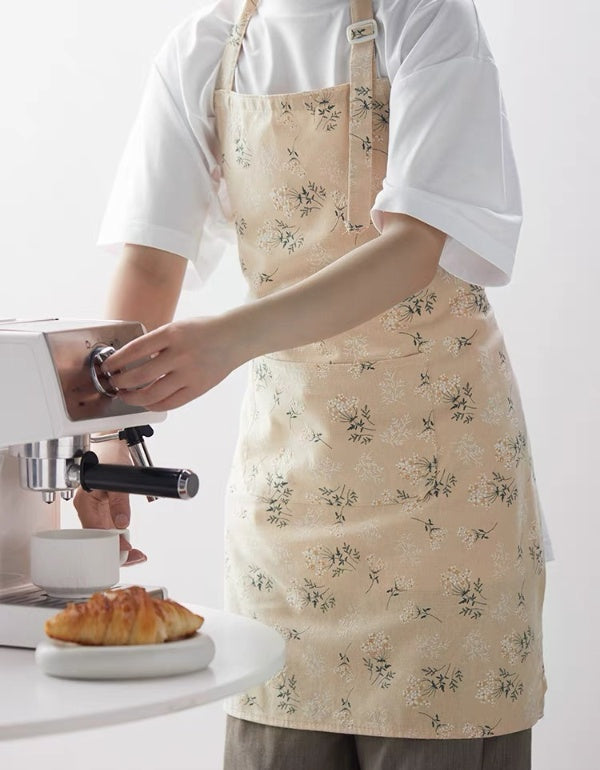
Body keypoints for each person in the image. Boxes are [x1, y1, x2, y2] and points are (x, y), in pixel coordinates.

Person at [76, 1, 555, 767]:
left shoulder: (425, 15)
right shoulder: (205, 47)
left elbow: (413, 248)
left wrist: (229, 338)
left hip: (446, 508)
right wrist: (107, 438)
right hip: (288, 508)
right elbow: (148, 262)